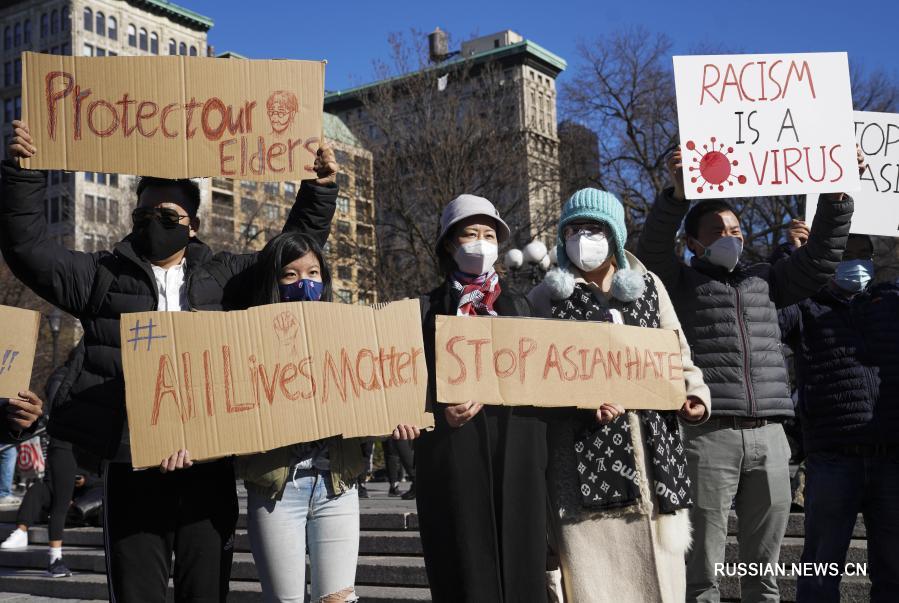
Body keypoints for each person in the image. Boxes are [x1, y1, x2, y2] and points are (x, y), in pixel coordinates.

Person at [0, 120, 338, 602]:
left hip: (208, 469)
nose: (152, 223)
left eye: (167, 215)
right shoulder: (99, 276)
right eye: (142, 215)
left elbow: (291, 253)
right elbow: (26, 248)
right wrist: (21, 172)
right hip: (130, 462)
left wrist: (319, 189)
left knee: (206, 594)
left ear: (193, 224)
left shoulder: (226, 277)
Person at [635, 149, 859, 602]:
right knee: (703, 574)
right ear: (693, 244)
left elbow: (818, 260)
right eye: (716, 231)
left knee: (764, 574)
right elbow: (651, 251)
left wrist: (837, 197)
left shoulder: (768, 280)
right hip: (707, 437)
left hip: (772, 437)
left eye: (736, 230)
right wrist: (676, 196)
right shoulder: (677, 282)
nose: (729, 237)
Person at [528, 188, 710, 602]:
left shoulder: (649, 286)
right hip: (580, 468)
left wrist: (694, 394)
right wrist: (580, 401)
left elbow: (677, 353)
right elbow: (536, 378)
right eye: (574, 229)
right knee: (597, 584)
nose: (583, 238)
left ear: (615, 234)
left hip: (651, 460)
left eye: (594, 228)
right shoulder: (545, 298)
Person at [232, 231, 419, 603]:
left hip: (337, 486)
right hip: (277, 491)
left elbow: (375, 391)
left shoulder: (350, 335)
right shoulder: (245, 340)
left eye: (314, 272)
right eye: (291, 274)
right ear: (273, 281)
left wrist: (397, 414)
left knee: (338, 599)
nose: (305, 283)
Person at [415, 194, 547, 602]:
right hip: (454, 456)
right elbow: (406, 388)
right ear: (450, 244)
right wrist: (439, 410)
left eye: (489, 234)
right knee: (465, 567)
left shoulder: (520, 306)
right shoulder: (424, 311)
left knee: (521, 568)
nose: (480, 242)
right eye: (470, 233)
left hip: (516, 452)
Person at [776, 228, 899, 602]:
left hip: (891, 457)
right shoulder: (806, 306)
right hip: (832, 459)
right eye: (846, 254)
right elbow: (771, 318)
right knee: (819, 572)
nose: (857, 263)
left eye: (864, 254)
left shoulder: (891, 301)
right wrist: (794, 258)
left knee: (894, 571)